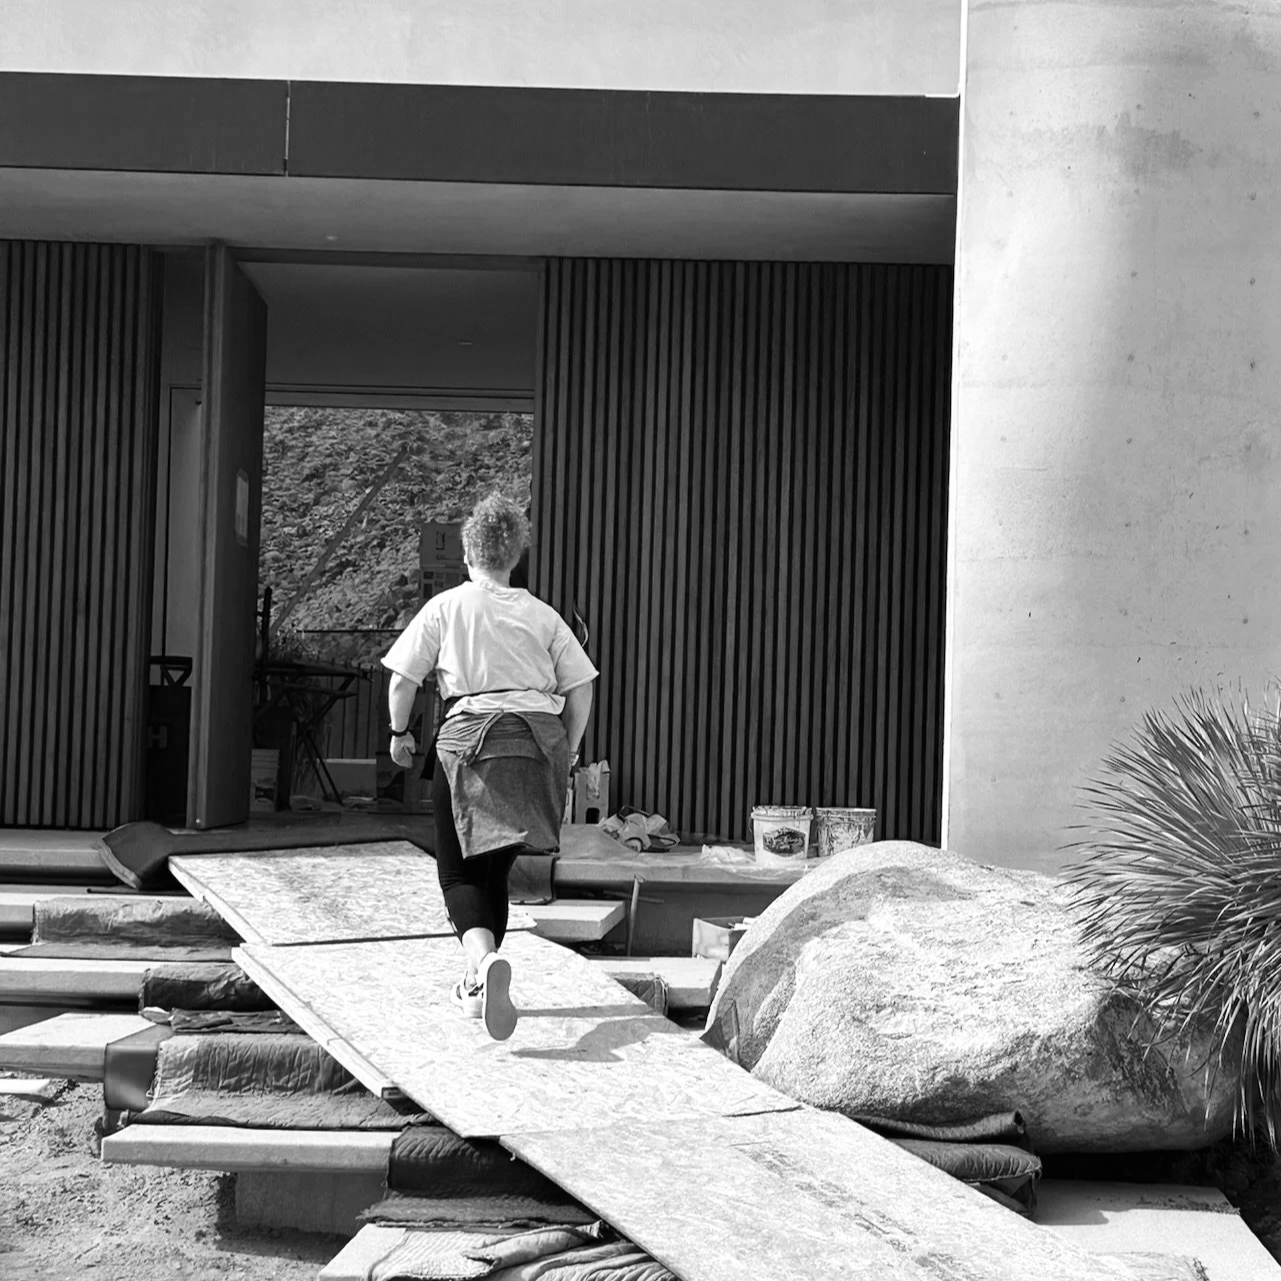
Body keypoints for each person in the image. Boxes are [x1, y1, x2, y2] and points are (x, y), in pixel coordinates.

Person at [381, 494, 597, 1041]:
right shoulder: (542, 614)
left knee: (458, 872)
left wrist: (400, 733)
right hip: (535, 743)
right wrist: (568, 750)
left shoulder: (447, 607)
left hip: (470, 741)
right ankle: (478, 988)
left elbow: (403, 680)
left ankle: (482, 962)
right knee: (494, 870)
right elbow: (581, 685)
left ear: (467, 553)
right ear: (516, 555)